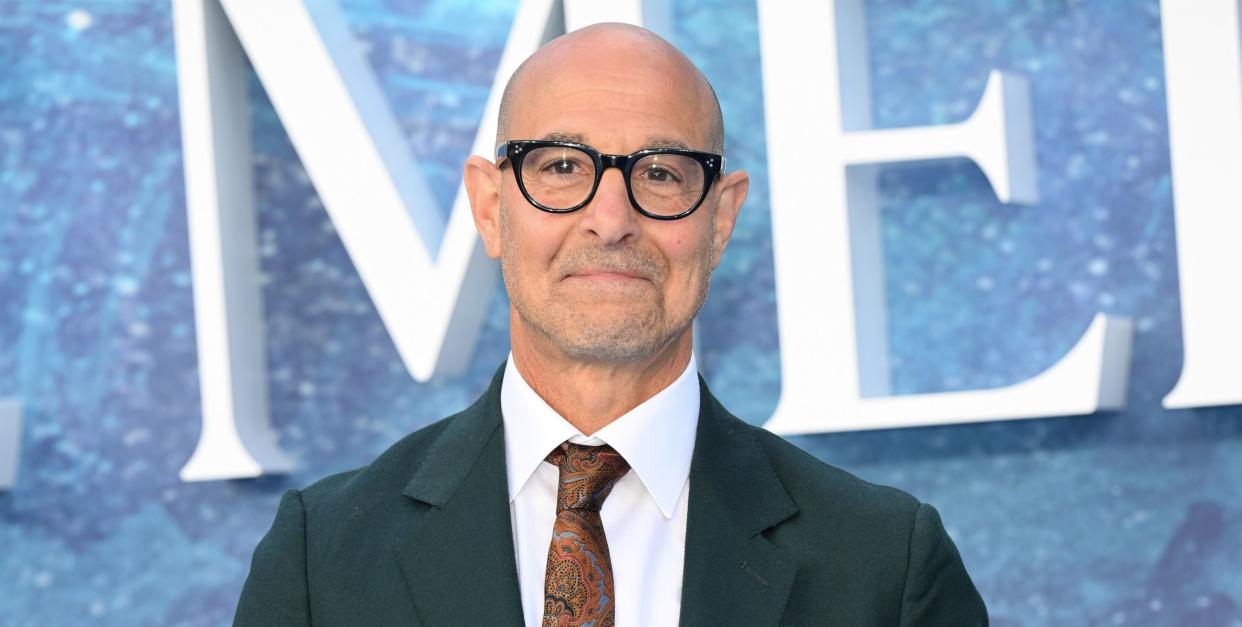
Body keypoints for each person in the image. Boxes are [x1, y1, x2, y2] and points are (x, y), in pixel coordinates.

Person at [234, 22, 987, 627]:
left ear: (720, 218)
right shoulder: (322, 559)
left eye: (660, 173)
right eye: (562, 166)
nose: (611, 220)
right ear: (492, 207)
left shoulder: (884, 567)